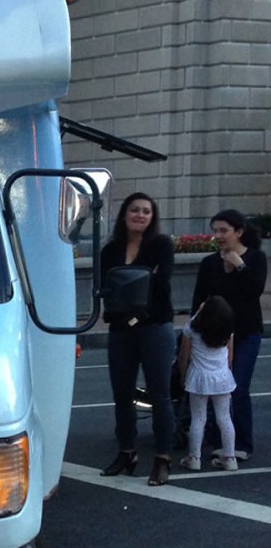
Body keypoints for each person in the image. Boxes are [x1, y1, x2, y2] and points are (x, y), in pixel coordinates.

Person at [99, 192, 176, 486]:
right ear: (124, 214)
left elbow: (161, 282)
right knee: (122, 395)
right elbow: (106, 287)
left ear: (152, 216)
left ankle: (162, 458)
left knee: (160, 395)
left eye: (146, 211)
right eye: (135, 210)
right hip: (120, 328)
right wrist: (142, 281)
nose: (141, 215)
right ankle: (127, 451)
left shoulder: (161, 245)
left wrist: (134, 288)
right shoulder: (111, 250)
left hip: (155, 326)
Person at [190, 209, 267, 461]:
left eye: (224, 230)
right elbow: (199, 300)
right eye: (215, 231)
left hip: (246, 332)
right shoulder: (209, 263)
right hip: (215, 337)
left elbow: (254, 290)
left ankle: (241, 443)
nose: (218, 236)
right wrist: (192, 335)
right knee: (213, 387)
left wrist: (240, 266)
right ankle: (216, 439)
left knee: (238, 386)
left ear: (239, 232)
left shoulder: (255, 258)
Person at [177, 296, 237, 471]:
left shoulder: (192, 329)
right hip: (221, 376)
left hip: (198, 377)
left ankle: (194, 457)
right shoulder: (227, 330)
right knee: (224, 417)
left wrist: (182, 375)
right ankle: (230, 457)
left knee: (198, 418)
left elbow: (184, 356)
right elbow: (230, 356)